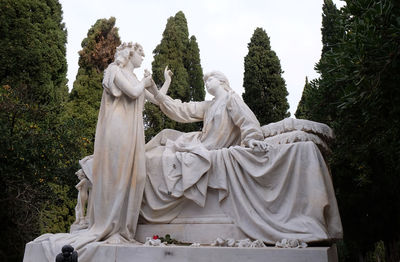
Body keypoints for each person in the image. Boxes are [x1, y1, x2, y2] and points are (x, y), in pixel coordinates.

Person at [142, 70, 342, 243]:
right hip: (199, 144)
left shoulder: (231, 99)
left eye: (209, 79)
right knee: (160, 149)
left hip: (210, 149)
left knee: (168, 158)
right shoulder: (209, 105)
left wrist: (252, 138)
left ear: (221, 81)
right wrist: (158, 92)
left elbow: (247, 121)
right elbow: (182, 110)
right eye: (205, 81)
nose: (206, 83)